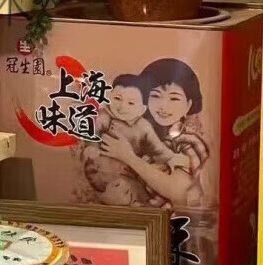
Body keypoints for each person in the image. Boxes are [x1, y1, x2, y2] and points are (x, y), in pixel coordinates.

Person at [99, 58, 209, 209]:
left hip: (174, 220)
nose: (163, 106)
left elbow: (179, 192)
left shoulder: (187, 140)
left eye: (174, 98)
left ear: (188, 105)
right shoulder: (143, 130)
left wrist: (128, 157)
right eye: (155, 95)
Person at [83, 72, 188, 205]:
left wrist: (172, 158)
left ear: (142, 109)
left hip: (129, 171)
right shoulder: (105, 116)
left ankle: (141, 202)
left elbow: (158, 148)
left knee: (133, 187)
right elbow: (92, 132)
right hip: (101, 167)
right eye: (117, 98)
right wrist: (91, 146)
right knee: (106, 188)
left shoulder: (144, 127)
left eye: (131, 103)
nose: (122, 106)